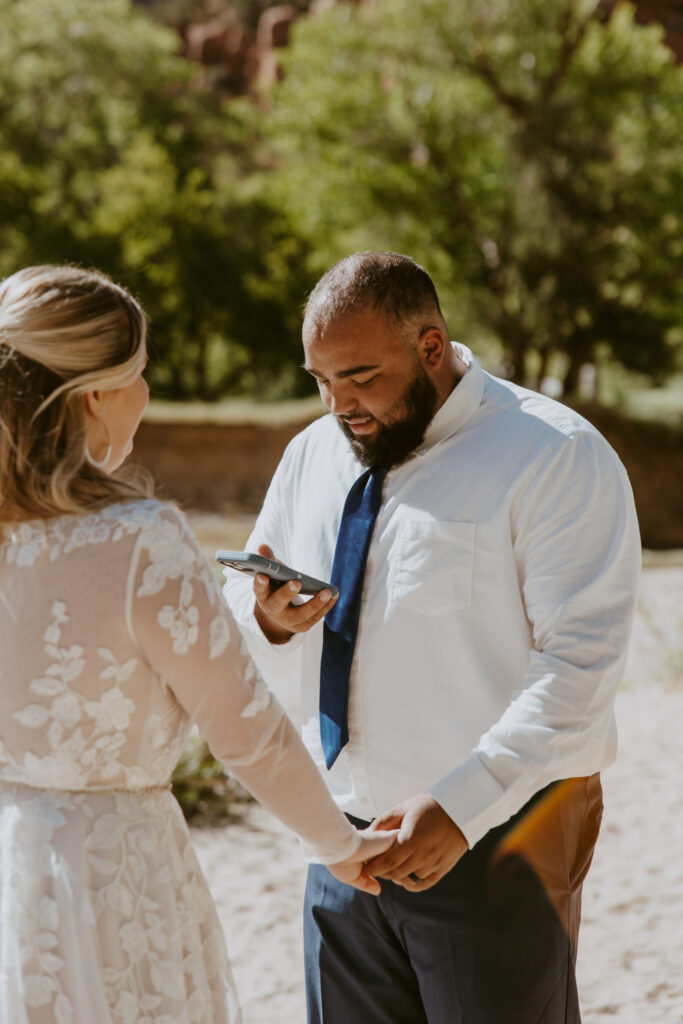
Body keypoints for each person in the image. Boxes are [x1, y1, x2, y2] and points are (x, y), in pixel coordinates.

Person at [223, 251, 642, 1024]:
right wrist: (267, 618)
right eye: (320, 381)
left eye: (359, 377)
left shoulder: (554, 454)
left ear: (430, 347)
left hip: (503, 832)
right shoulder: (312, 453)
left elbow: (578, 668)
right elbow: (245, 593)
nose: (337, 404)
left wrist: (460, 804)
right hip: (341, 838)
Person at [0, 264, 396, 1024]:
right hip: (108, 875)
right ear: (95, 396)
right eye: (141, 373)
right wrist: (338, 845)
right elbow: (247, 735)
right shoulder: (140, 540)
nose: (145, 394)